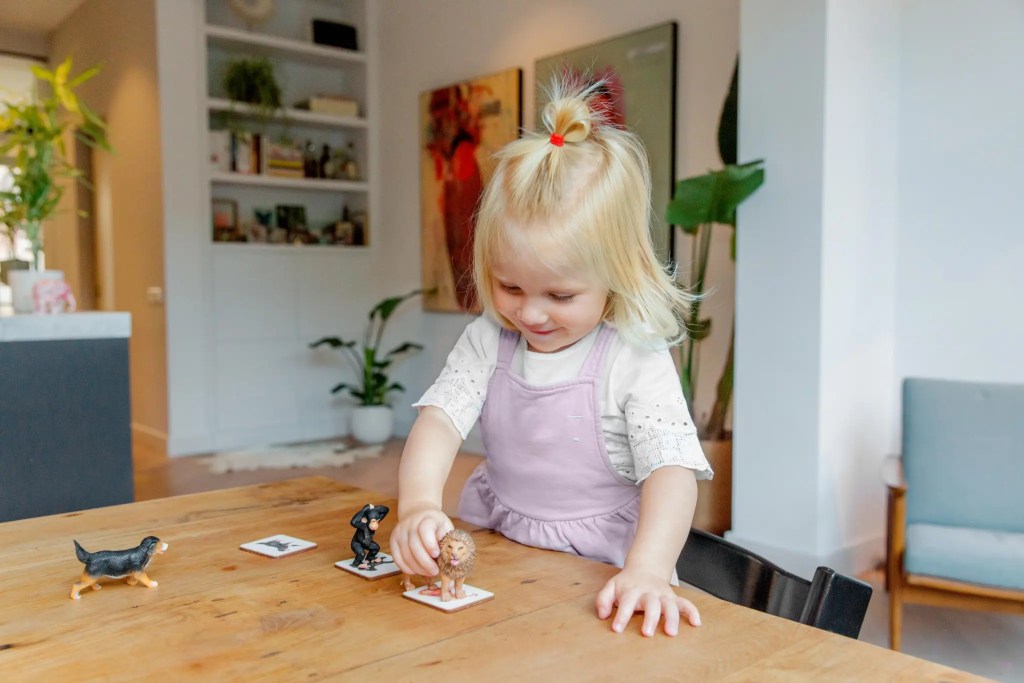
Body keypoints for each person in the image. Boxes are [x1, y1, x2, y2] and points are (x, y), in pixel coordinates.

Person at [390, 76, 713, 637]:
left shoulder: (634, 354)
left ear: (617, 276)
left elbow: (672, 471)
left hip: (605, 568)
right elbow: (439, 421)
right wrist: (418, 504)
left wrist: (649, 570)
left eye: (560, 296)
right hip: (500, 541)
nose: (531, 314)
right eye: (509, 287)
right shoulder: (490, 337)